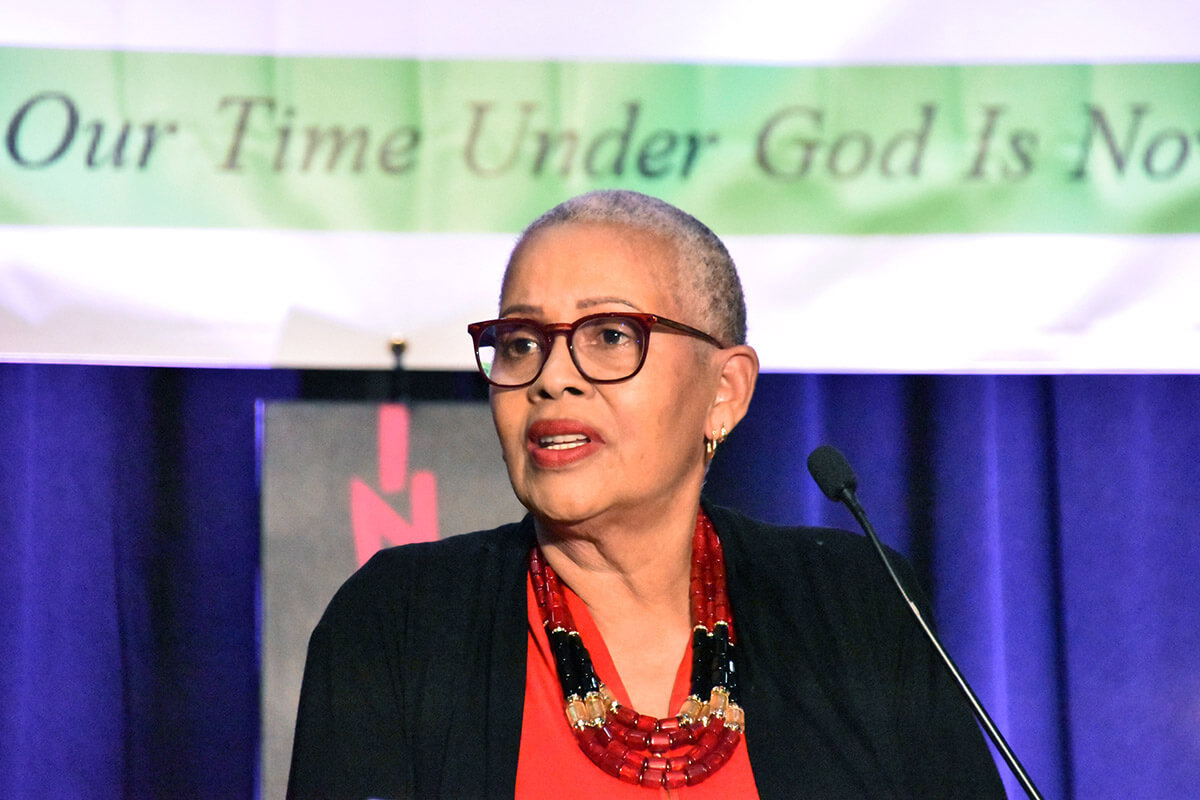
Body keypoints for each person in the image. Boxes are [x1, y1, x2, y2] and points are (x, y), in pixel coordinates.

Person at [287, 190, 1006, 799]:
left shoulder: (853, 607)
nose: (551, 378)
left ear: (724, 391)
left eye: (607, 334)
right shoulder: (401, 624)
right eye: (520, 342)